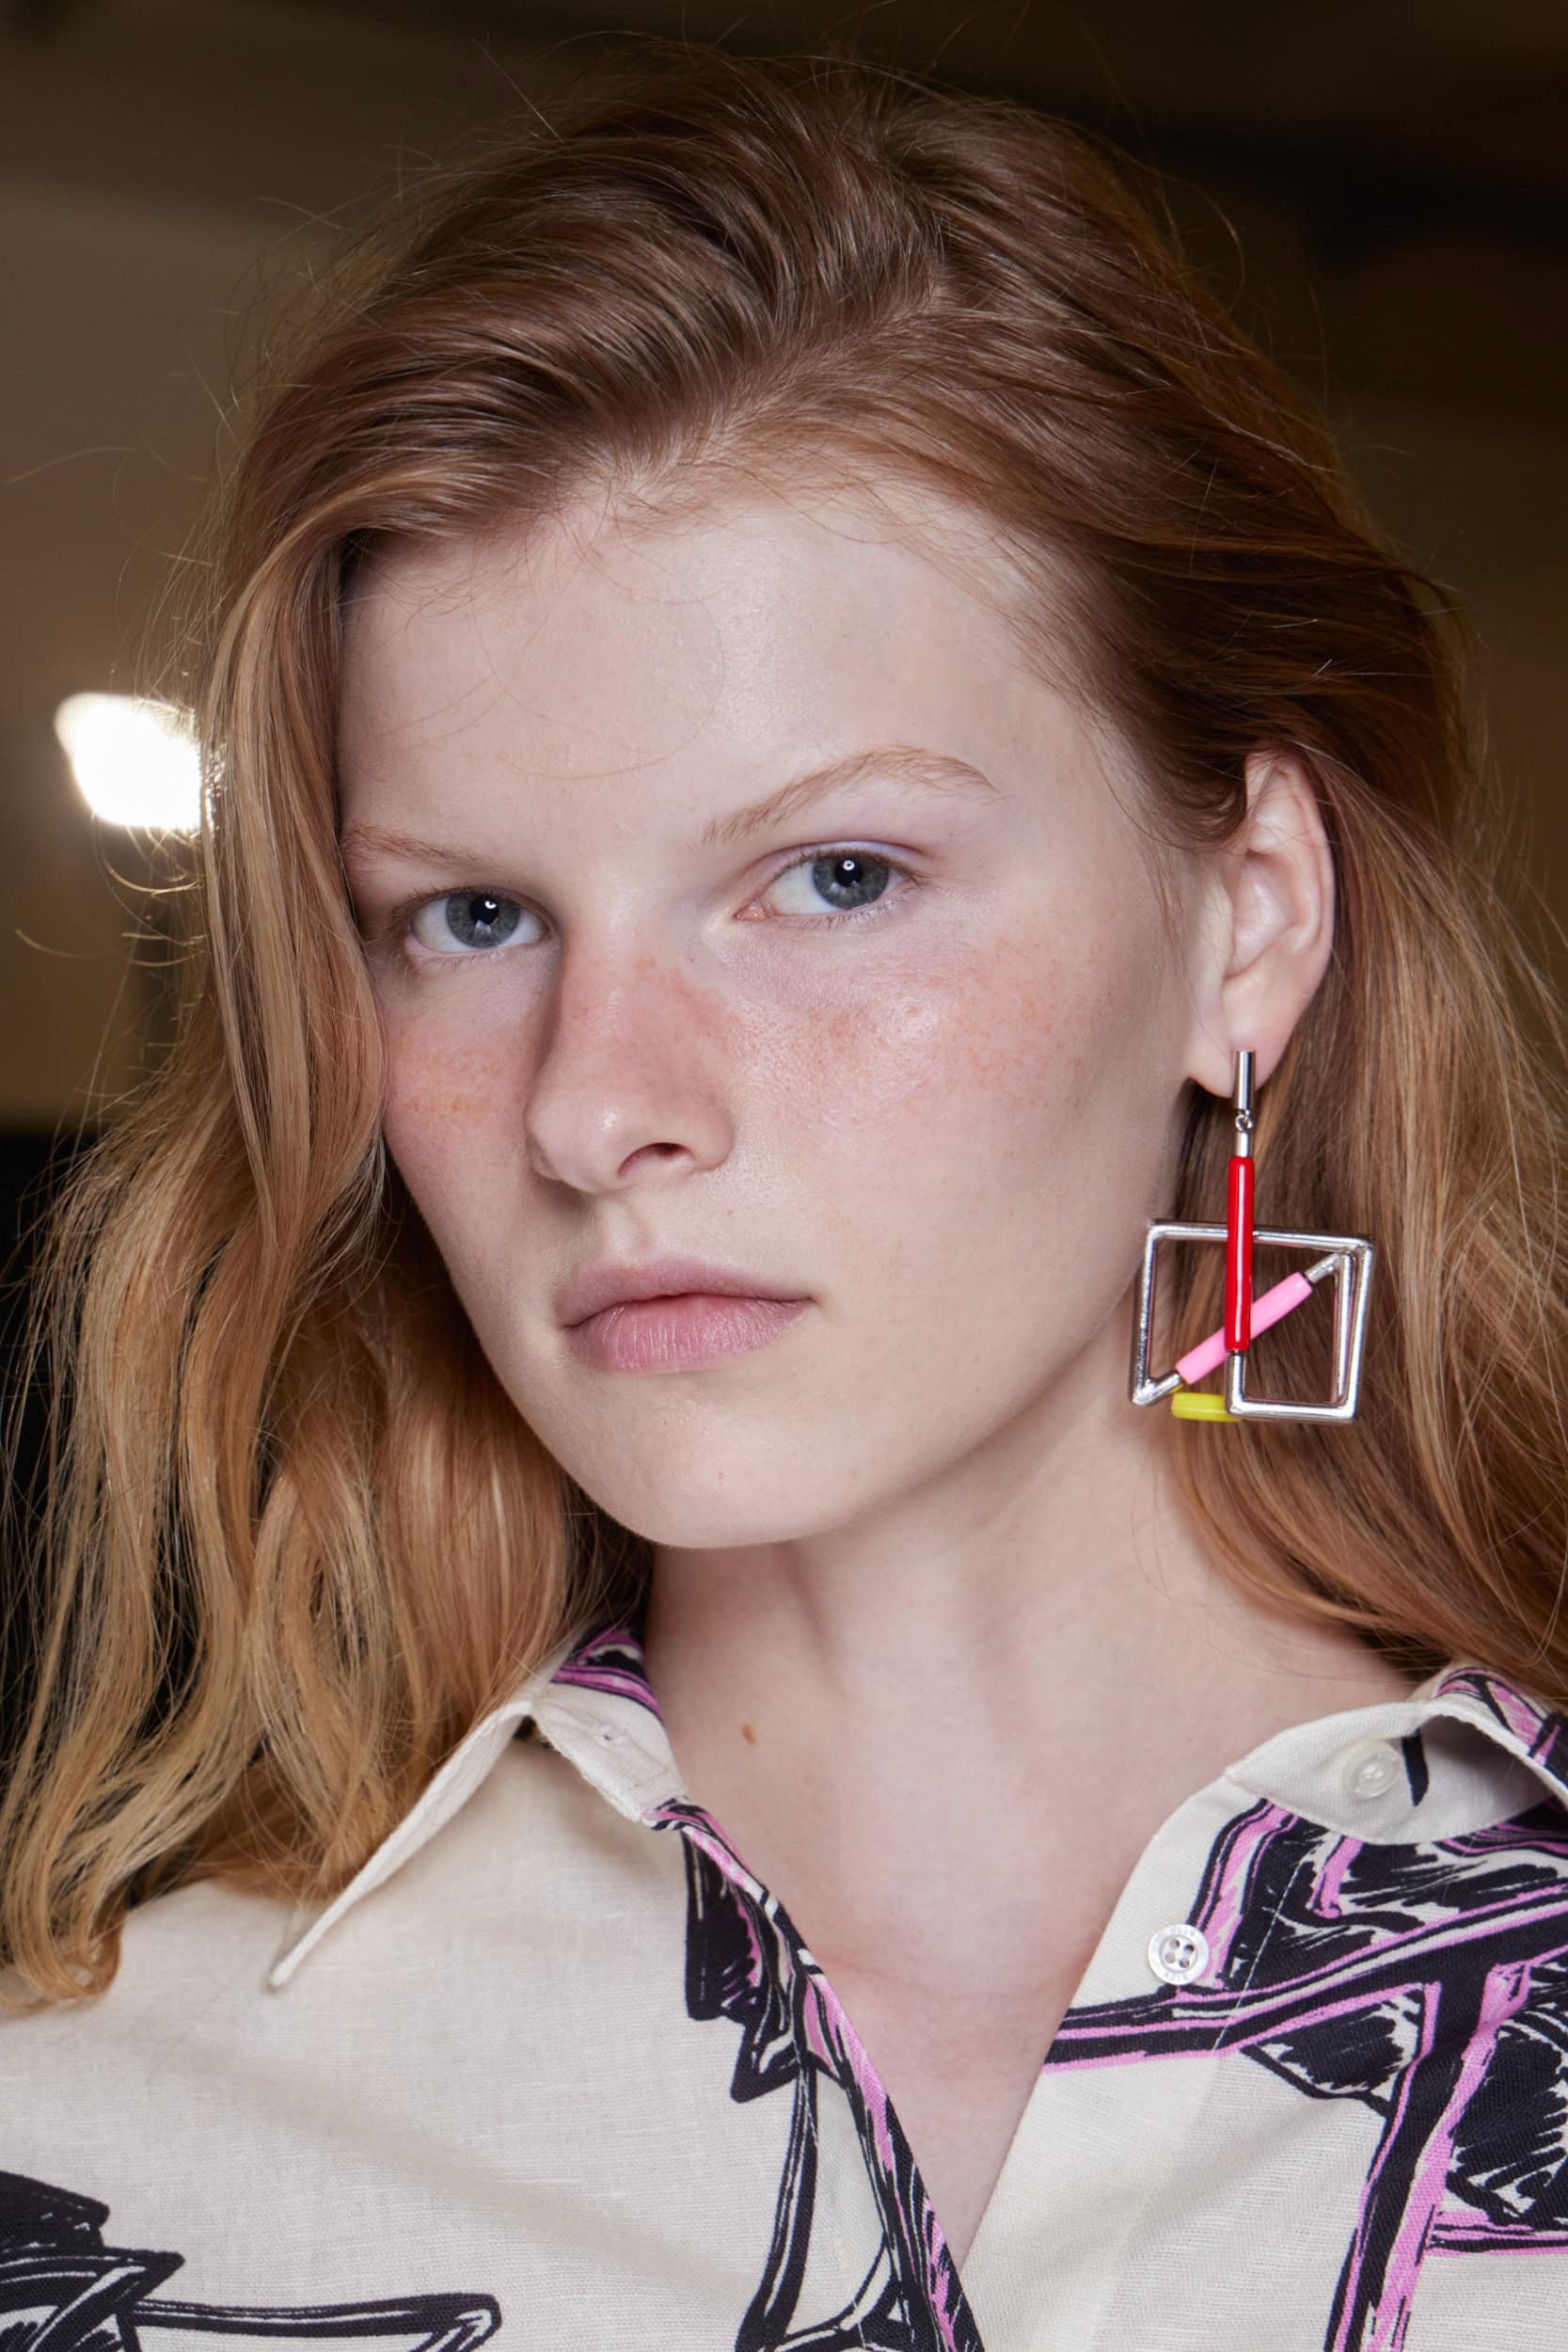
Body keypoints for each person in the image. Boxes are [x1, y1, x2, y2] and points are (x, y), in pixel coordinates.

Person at [2, 41, 1565, 2352]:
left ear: (1245, 918)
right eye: (470, 917)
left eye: (834, 875)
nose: (595, 1105)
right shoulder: (102, 2152)